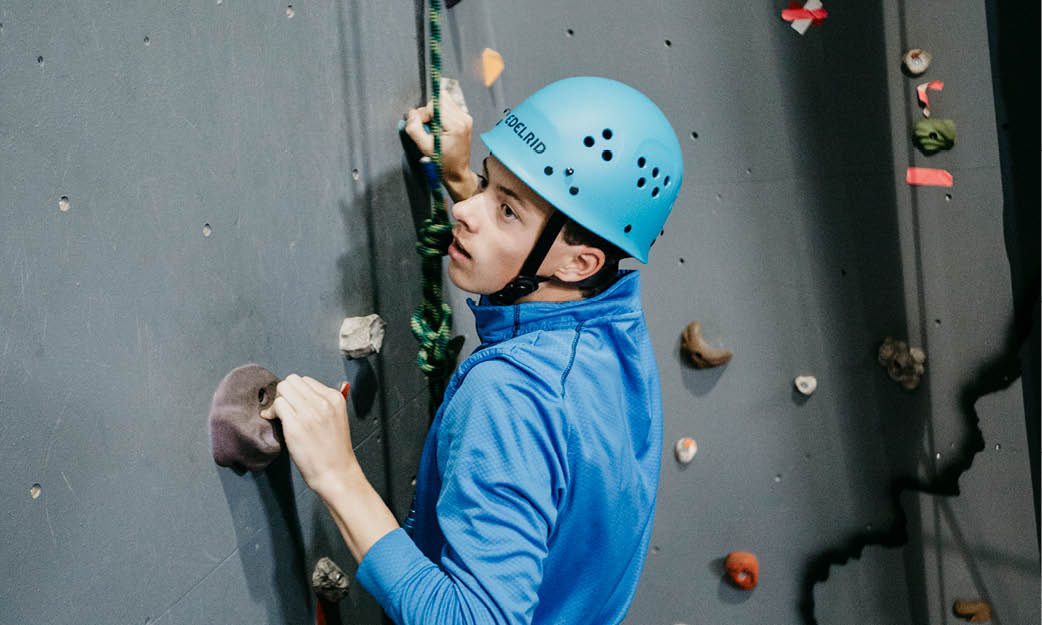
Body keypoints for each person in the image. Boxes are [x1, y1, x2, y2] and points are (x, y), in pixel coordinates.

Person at [262, 76, 684, 624]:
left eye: (507, 209)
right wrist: (462, 177)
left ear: (580, 263)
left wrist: (337, 473)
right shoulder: (614, 334)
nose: (469, 212)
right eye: (488, 183)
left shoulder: (511, 396)